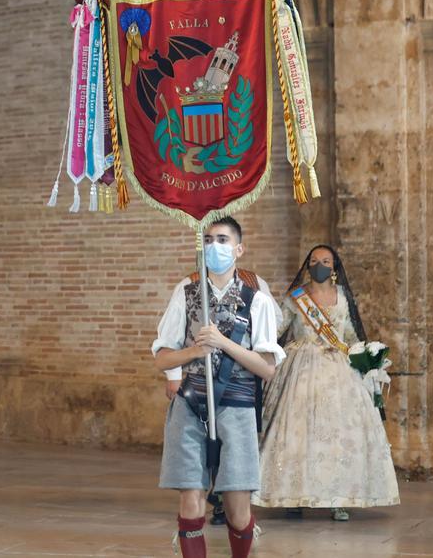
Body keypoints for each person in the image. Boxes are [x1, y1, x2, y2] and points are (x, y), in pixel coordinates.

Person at [152, 217, 284, 558]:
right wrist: (194, 350)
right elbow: (162, 358)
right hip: (190, 403)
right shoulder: (186, 292)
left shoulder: (258, 301)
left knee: (237, 508)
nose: (215, 246)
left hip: (237, 407)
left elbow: (267, 368)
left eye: (223, 240)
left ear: (239, 248)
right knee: (191, 501)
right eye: (208, 239)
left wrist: (224, 342)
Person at [253, 245, 399, 519]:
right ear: (307, 265)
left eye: (325, 261)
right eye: (314, 260)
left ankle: (338, 497)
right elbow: (276, 331)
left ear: (334, 268)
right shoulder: (296, 298)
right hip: (300, 370)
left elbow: (351, 335)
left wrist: (367, 358)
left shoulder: (342, 297)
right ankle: (291, 495)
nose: (319, 264)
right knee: (296, 432)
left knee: (340, 436)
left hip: (339, 370)